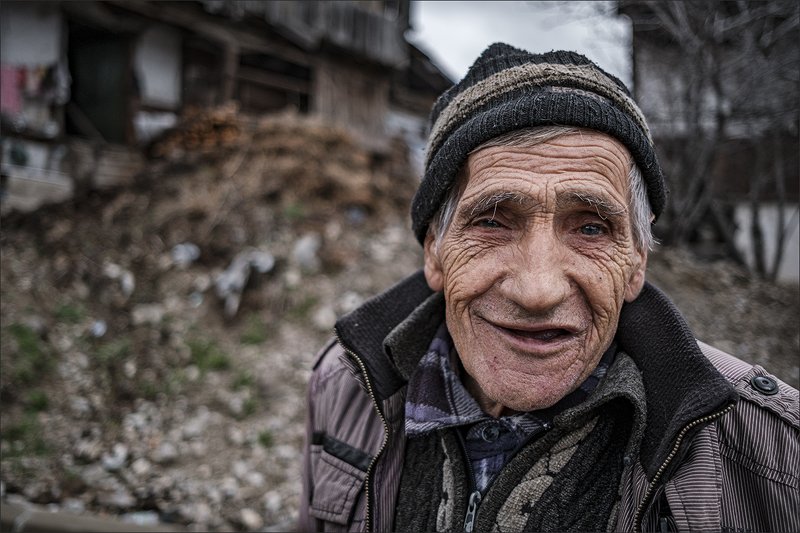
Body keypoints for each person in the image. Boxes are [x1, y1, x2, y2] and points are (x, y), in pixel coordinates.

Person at [298, 44, 799, 533]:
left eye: (591, 228)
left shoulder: (771, 456)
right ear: (434, 250)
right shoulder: (345, 387)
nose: (537, 291)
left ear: (636, 262)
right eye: (493, 221)